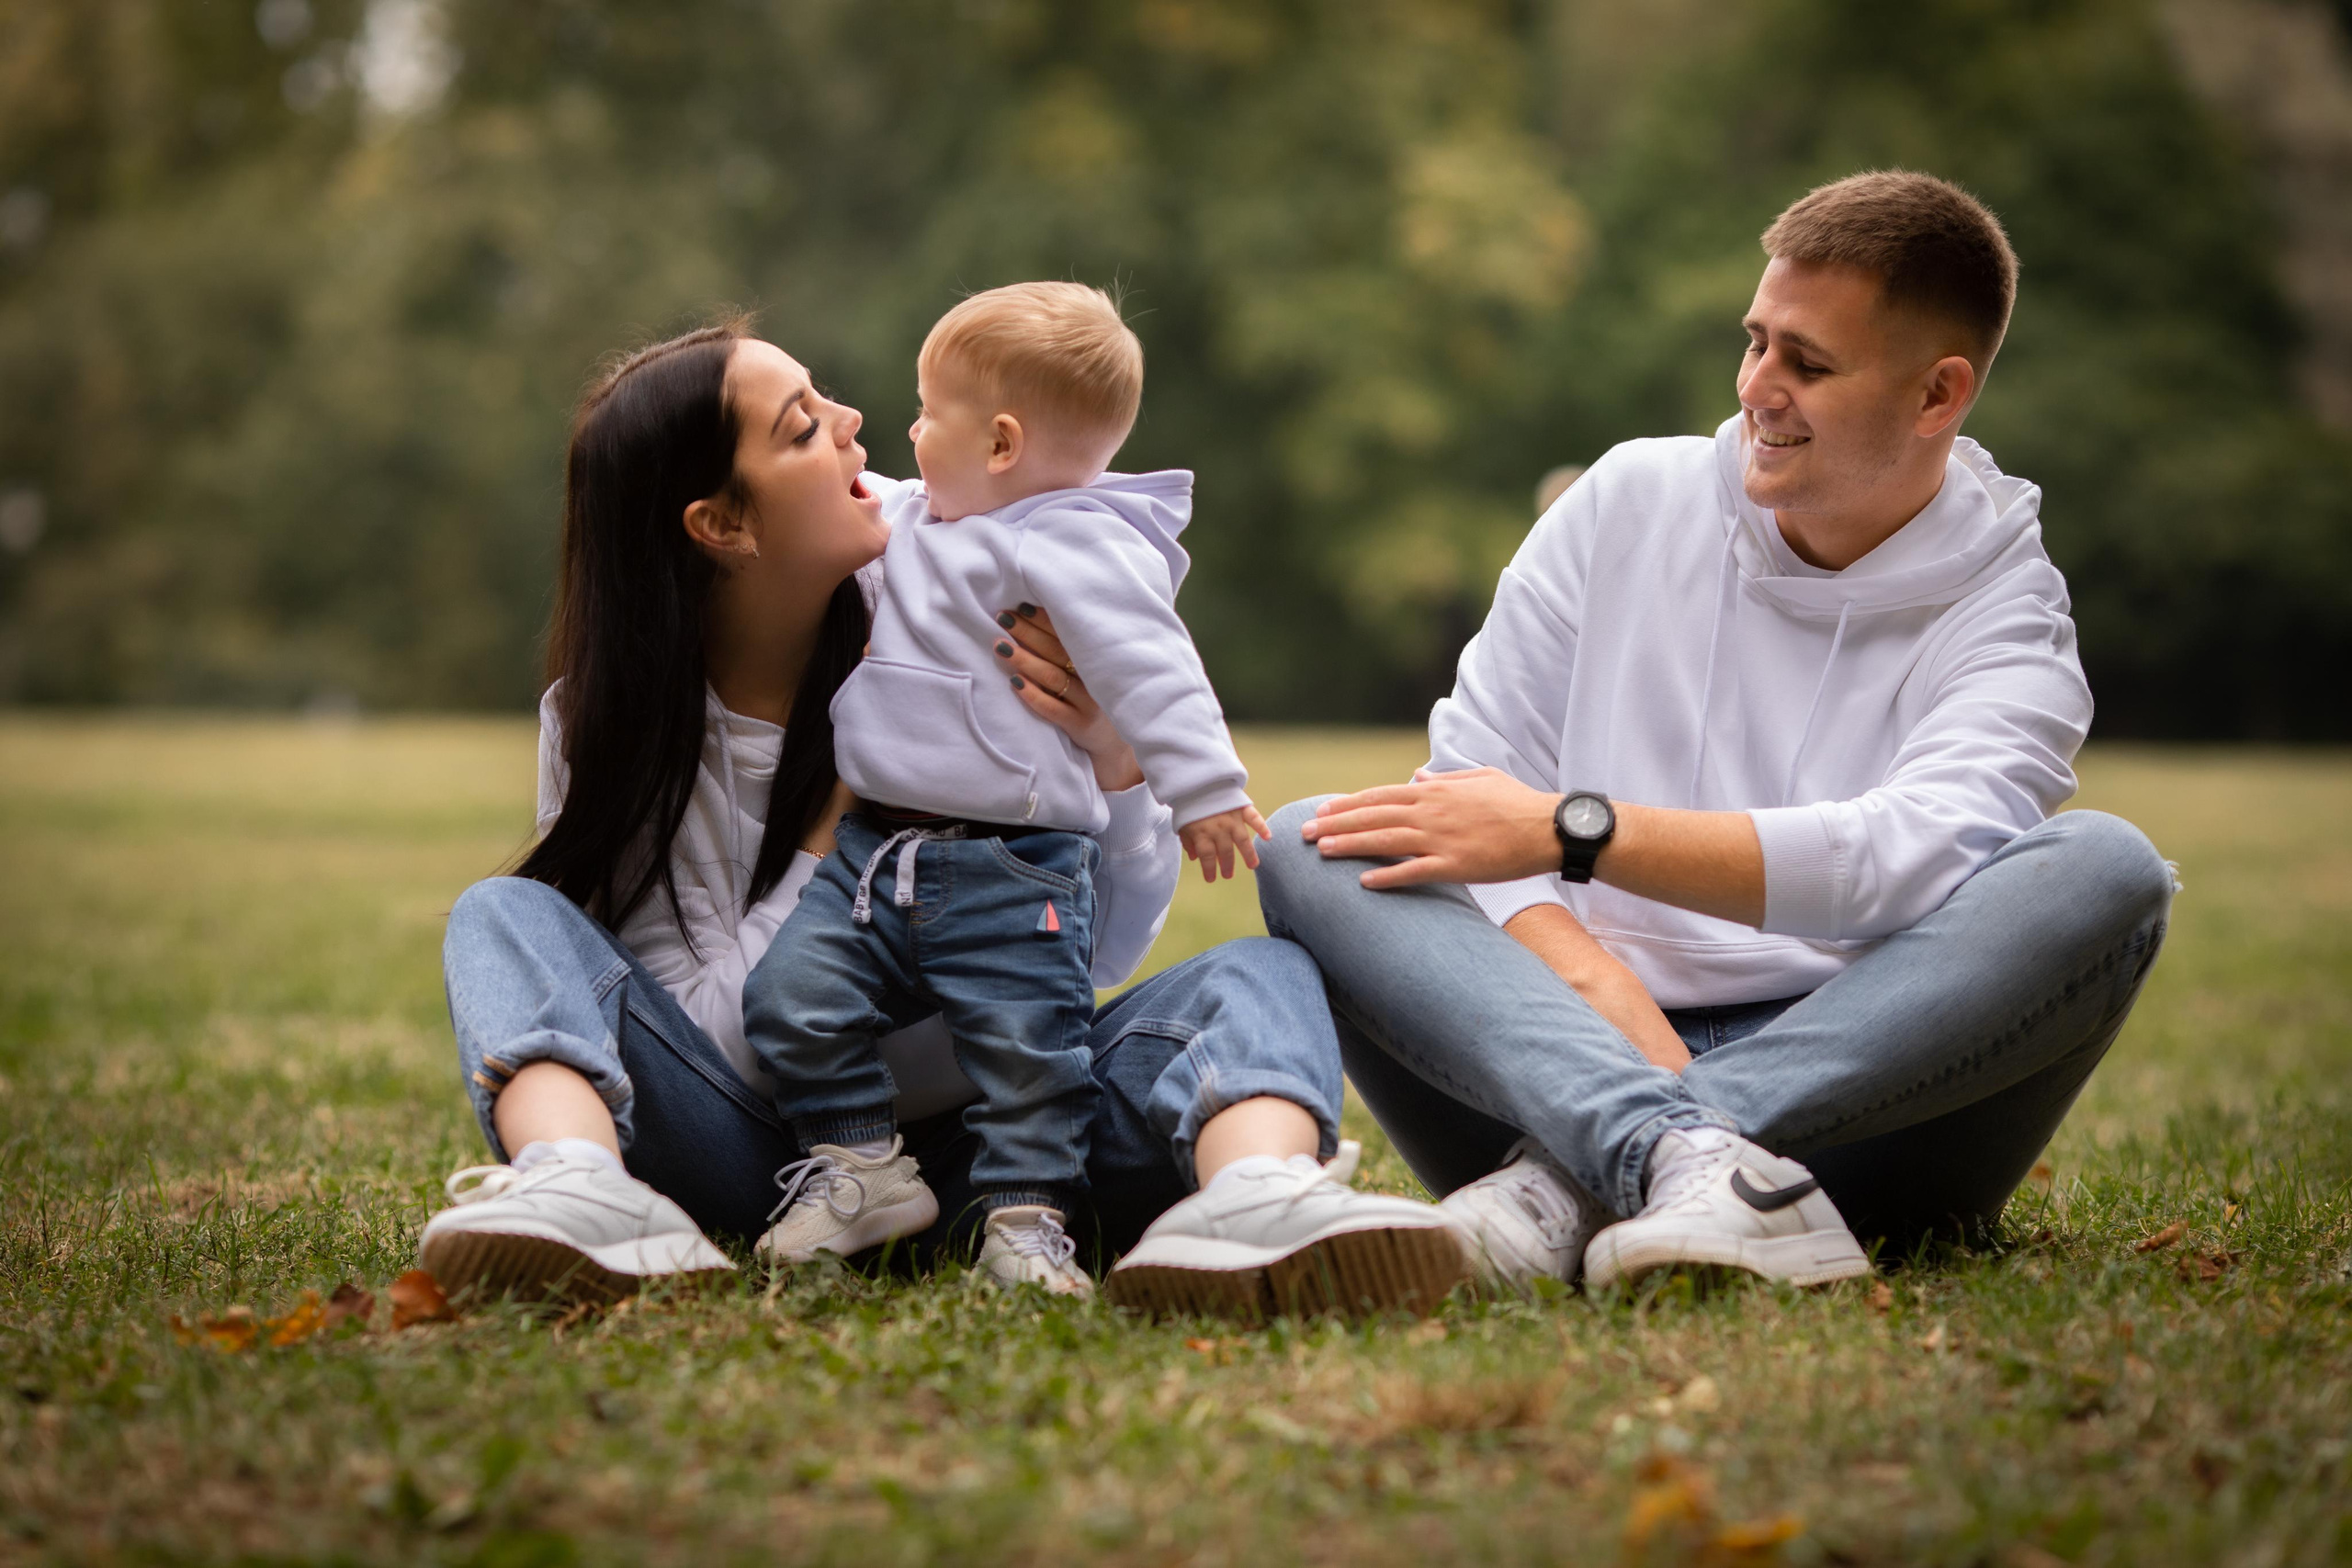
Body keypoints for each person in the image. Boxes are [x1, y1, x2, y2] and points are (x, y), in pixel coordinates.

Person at [414, 319, 1465, 1318]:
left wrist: (1114, 765)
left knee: (1255, 977)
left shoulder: (958, 617)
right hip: (755, 1162)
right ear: (724, 525)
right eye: (800, 427)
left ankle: (1264, 1203)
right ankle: (575, 1189)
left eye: (825, 396)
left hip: (1014, 1154)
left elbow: (1096, 950)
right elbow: (718, 1046)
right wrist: (853, 818)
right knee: (504, 914)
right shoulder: (609, 731)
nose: (852, 423)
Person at [1258, 171, 2177, 1292]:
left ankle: (1596, 1178)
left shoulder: (2008, 611)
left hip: (1865, 1123)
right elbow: (1466, 795)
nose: (1758, 387)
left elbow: (1902, 861)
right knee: (1317, 840)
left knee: (2105, 869)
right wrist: (1602, 999)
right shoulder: (1625, 500)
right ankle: (1662, 1150)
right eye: (1755, 344)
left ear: (1939, 396)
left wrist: (1572, 830)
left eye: (1809, 363)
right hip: (1555, 1053)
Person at [742, 283, 1269, 1298]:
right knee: (792, 997)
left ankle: (1027, 1229)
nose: (906, 430)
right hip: (878, 855)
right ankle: (861, 1166)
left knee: (1030, 1055)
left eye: (928, 410)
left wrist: (1202, 787)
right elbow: (845, 508)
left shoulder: (1072, 542)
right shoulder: (914, 514)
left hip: (1014, 866)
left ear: (999, 444)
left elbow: (1153, 661)